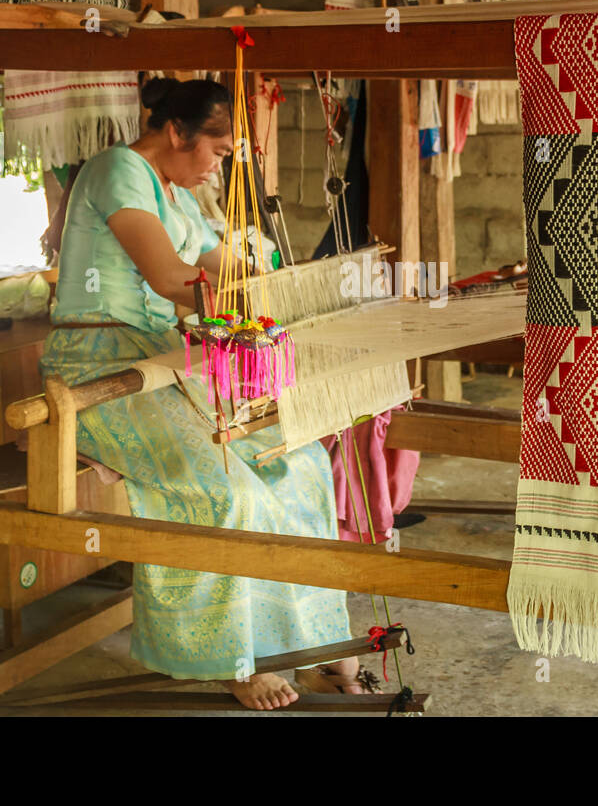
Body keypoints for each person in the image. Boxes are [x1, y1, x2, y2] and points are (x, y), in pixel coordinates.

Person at [41, 77, 375, 709]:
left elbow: (226, 265)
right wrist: (249, 302)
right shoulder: (120, 170)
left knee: (300, 462)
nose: (219, 167)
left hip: (159, 361)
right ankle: (234, 661)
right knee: (222, 490)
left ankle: (304, 648)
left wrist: (304, 290)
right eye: (217, 153)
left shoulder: (176, 195)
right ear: (177, 133)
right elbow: (172, 277)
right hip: (97, 368)